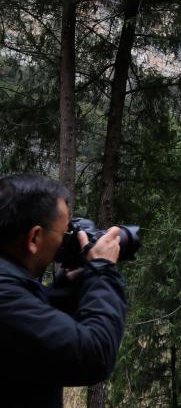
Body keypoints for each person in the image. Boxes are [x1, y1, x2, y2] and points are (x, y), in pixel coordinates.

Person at [0, 174, 128, 408]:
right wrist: (103, 270)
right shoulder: (5, 297)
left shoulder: (11, 282)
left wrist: (67, 285)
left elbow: (32, 330)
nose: (66, 242)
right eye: (64, 234)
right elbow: (94, 354)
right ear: (35, 237)